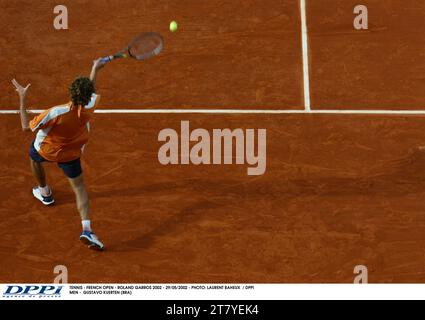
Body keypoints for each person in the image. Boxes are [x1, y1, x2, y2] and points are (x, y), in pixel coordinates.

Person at [12, 58, 106, 250]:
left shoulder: (55, 112)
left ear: (71, 92)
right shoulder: (88, 108)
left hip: (46, 150)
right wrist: (95, 68)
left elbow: (24, 127)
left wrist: (22, 97)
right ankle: (87, 229)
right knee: (79, 189)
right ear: (88, 96)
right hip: (71, 153)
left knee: (33, 156)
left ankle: (45, 192)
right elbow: (91, 90)